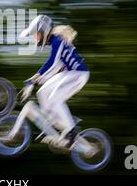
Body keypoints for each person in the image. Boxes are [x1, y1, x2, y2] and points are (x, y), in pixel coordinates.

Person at [19, 15, 89, 147]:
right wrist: (35, 80)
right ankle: (49, 125)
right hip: (70, 74)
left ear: (44, 31)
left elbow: (52, 64)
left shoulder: (57, 41)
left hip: (78, 74)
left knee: (55, 99)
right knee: (42, 92)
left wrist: (32, 81)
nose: (35, 38)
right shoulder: (55, 42)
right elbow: (54, 67)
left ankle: (72, 132)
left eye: (36, 34)